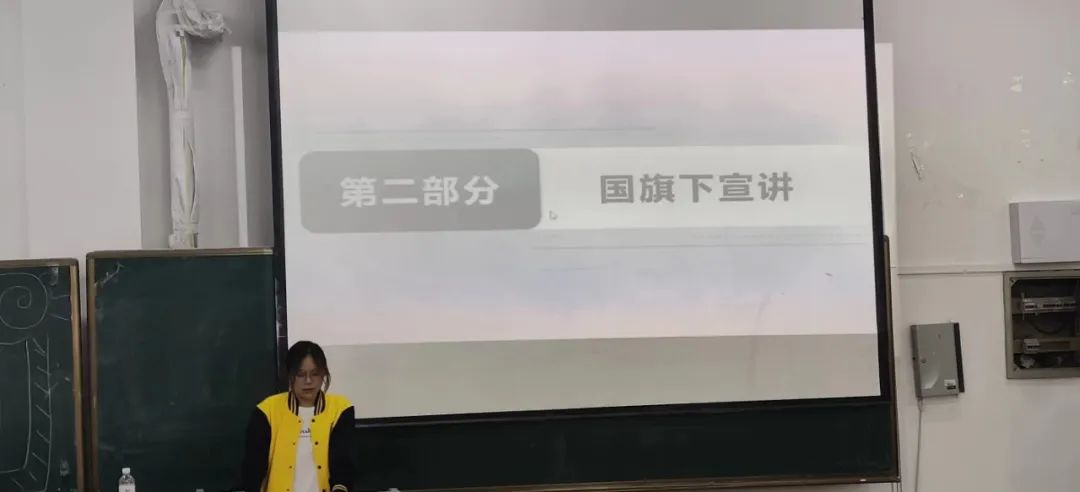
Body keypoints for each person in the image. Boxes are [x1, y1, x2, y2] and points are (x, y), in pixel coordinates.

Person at [242, 341, 355, 492]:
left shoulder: (340, 409)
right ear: (290, 376)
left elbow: (343, 462)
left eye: (315, 374)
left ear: (324, 374)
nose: (308, 381)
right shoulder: (267, 410)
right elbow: (253, 467)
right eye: (301, 374)